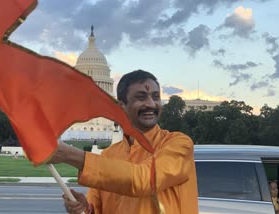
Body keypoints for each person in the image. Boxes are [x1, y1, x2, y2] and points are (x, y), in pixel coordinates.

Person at [49, 69, 199, 213]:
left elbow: (144, 180)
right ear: (121, 106)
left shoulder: (178, 144)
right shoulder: (108, 155)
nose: (151, 104)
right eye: (141, 97)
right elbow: (96, 209)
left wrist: (68, 154)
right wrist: (84, 209)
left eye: (155, 96)